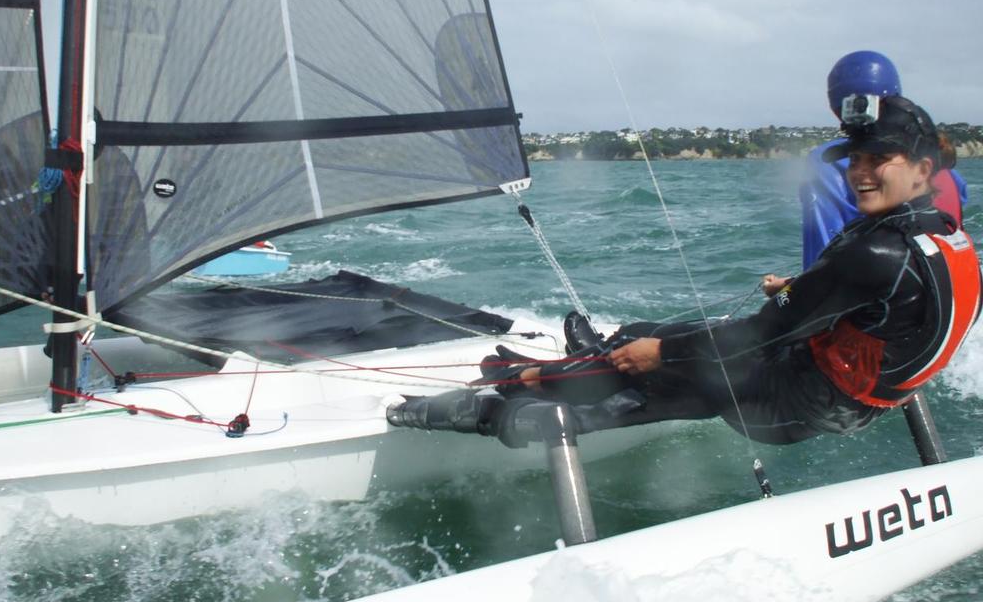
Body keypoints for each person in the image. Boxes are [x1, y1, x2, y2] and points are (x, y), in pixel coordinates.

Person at [392, 96, 981, 446]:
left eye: (881, 158)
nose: (860, 171)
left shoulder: (877, 252)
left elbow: (762, 335)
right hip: (851, 393)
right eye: (855, 158)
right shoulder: (947, 237)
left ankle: (503, 411)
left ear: (924, 168)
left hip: (805, 404)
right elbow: (898, 318)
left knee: (672, 365)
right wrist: (801, 293)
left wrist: (661, 356)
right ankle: (599, 354)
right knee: (656, 335)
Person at [800, 50, 967, 270]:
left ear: (835, 108)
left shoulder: (825, 164)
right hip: (944, 295)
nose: (860, 167)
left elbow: (821, 263)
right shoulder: (944, 169)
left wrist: (800, 287)